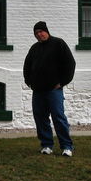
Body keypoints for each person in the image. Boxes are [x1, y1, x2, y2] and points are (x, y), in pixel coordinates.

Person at [23, 21, 76, 157]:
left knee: (58, 117)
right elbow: (27, 66)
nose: (39, 35)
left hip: (54, 90)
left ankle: (66, 146)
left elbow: (70, 64)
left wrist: (62, 82)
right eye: (36, 33)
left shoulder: (59, 44)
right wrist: (29, 82)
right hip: (38, 90)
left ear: (47, 31)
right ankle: (47, 145)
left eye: (41, 31)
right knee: (40, 117)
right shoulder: (34, 48)